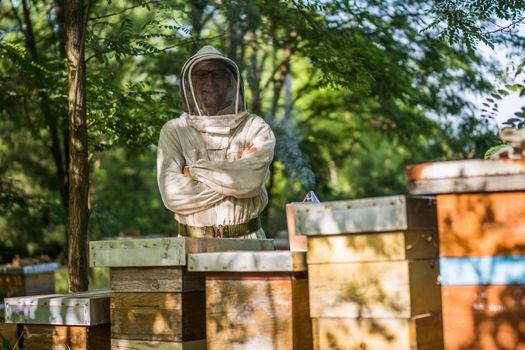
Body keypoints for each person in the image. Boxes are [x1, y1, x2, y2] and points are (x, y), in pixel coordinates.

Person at [156, 45, 275, 239]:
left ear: (229, 80)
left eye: (217, 74)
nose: (210, 81)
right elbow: (174, 196)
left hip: (247, 244)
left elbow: (251, 182)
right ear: (191, 83)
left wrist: (193, 172)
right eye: (202, 75)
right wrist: (235, 178)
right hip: (191, 245)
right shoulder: (174, 131)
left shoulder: (255, 127)